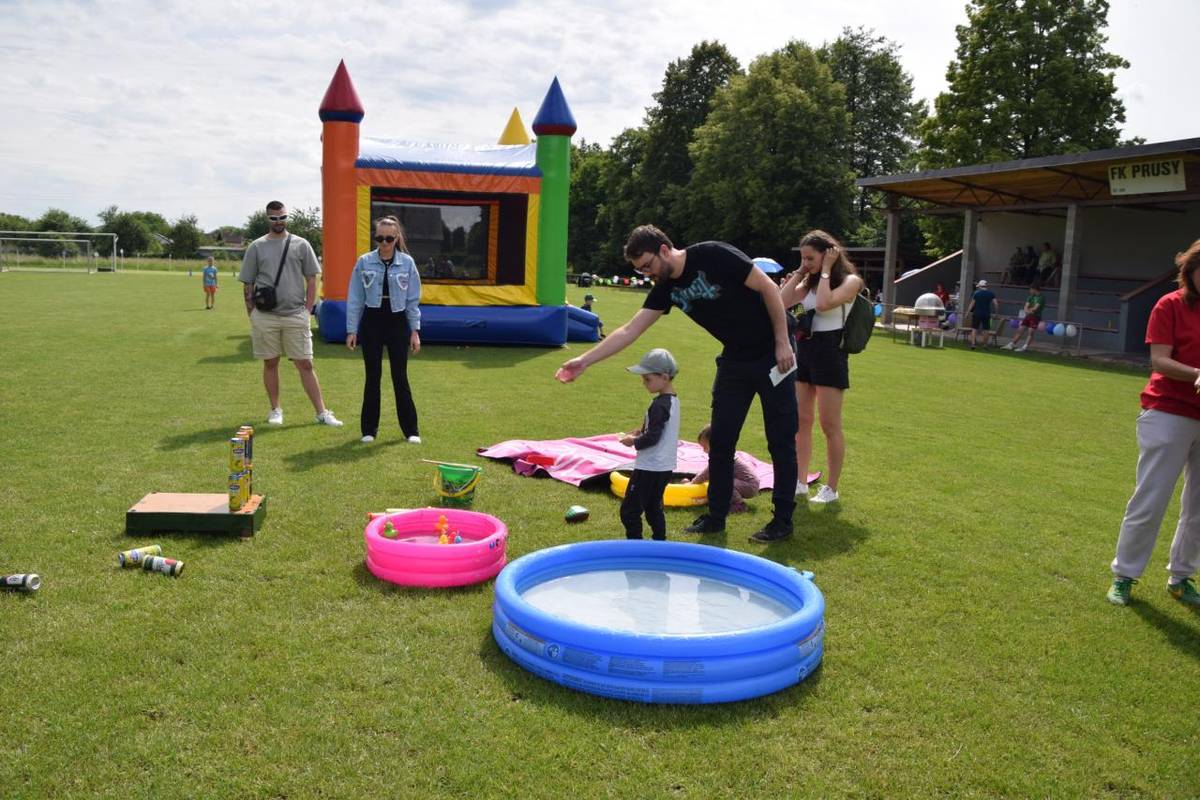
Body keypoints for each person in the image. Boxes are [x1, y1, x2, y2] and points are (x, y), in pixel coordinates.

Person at [556, 224, 798, 543]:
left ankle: (781, 521)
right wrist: (584, 360)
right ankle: (716, 515)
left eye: (648, 265)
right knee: (721, 440)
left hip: (773, 354)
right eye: (640, 270)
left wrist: (782, 341)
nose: (647, 274)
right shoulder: (666, 287)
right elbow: (630, 330)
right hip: (735, 359)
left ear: (665, 250)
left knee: (780, 439)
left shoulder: (713, 254)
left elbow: (768, 288)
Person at [1107, 239, 1200, 607]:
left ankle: (1181, 576)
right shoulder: (1170, 305)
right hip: (1168, 412)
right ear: (1190, 270)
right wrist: (1197, 373)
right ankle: (1125, 575)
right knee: (1151, 499)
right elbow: (1159, 360)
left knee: (1199, 508)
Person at [239, 200, 342, 427]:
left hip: (296, 313)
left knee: (305, 364)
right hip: (265, 316)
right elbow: (247, 282)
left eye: (282, 217)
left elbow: (312, 279)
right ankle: (275, 410)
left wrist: (307, 310)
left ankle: (322, 412)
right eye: (274, 218)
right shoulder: (256, 246)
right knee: (270, 363)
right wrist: (252, 313)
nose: (279, 222)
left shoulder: (301, 244)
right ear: (267, 219)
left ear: (287, 217)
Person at [780, 230, 863, 505]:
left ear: (829, 254)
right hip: (804, 349)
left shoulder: (851, 281)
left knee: (829, 425)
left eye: (810, 257)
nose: (807, 262)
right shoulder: (808, 282)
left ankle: (831, 488)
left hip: (830, 352)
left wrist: (826, 269)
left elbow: (826, 303)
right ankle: (800, 482)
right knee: (800, 421)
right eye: (803, 257)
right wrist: (799, 273)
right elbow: (781, 302)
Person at [345, 216, 422, 444]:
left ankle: (411, 431)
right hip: (372, 320)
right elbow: (355, 298)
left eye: (389, 238)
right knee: (372, 377)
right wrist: (352, 330)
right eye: (380, 238)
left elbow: (413, 300)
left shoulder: (407, 263)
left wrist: (414, 331)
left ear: (396, 238)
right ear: (375, 237)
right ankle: (369, 430)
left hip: (397, 321)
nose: (385, 243)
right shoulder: (364, 261)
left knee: (400, 376)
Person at [617, 348, 681, 541]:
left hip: (650, 466)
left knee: (629, 511)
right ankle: (659, 542)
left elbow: (653, 437)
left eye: (647, 379)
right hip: (665, 466)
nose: (644, 383)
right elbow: (660, 428)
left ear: (664, 377)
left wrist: (633, 441)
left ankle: (635, 546)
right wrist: (640, 430)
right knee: (654, 506)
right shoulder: (672, 401)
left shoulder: (659, 405)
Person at [690, 424, 759, 513]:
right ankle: (718, 500)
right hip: (746, 483)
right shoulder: (722, 455)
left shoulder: (722, 458)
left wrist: (692, 483)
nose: (704, 450)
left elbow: (706, 474)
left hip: (749, 485)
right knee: (720, 482)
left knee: (726, 483)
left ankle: (739, 505)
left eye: (705, 447)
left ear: (715, 443)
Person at [1003, 284, 1045, 352]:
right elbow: (1026, 306)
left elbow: (1035, 308)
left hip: (1035, 317)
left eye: (1031, 289)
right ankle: (1011, 345)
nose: (1030, 291)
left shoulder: (1041, 298)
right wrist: (1027, 311)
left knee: (1030, 332)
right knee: (1020, 330)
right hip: (1028, 316)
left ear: (1034, 289)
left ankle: (1024, 347)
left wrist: (1029, 310)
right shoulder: (1030, 297)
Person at [966, 279, 998, 350]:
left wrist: (967, 312)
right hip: (987, 314)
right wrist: (996, 313)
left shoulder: (976, 293)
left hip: (977, 313)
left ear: (980, 286)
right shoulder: (991, 294)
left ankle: (973, 344)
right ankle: (985, 345)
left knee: (974, 329)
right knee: (986, 329)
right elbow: (995, 304)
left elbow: (972, 304)